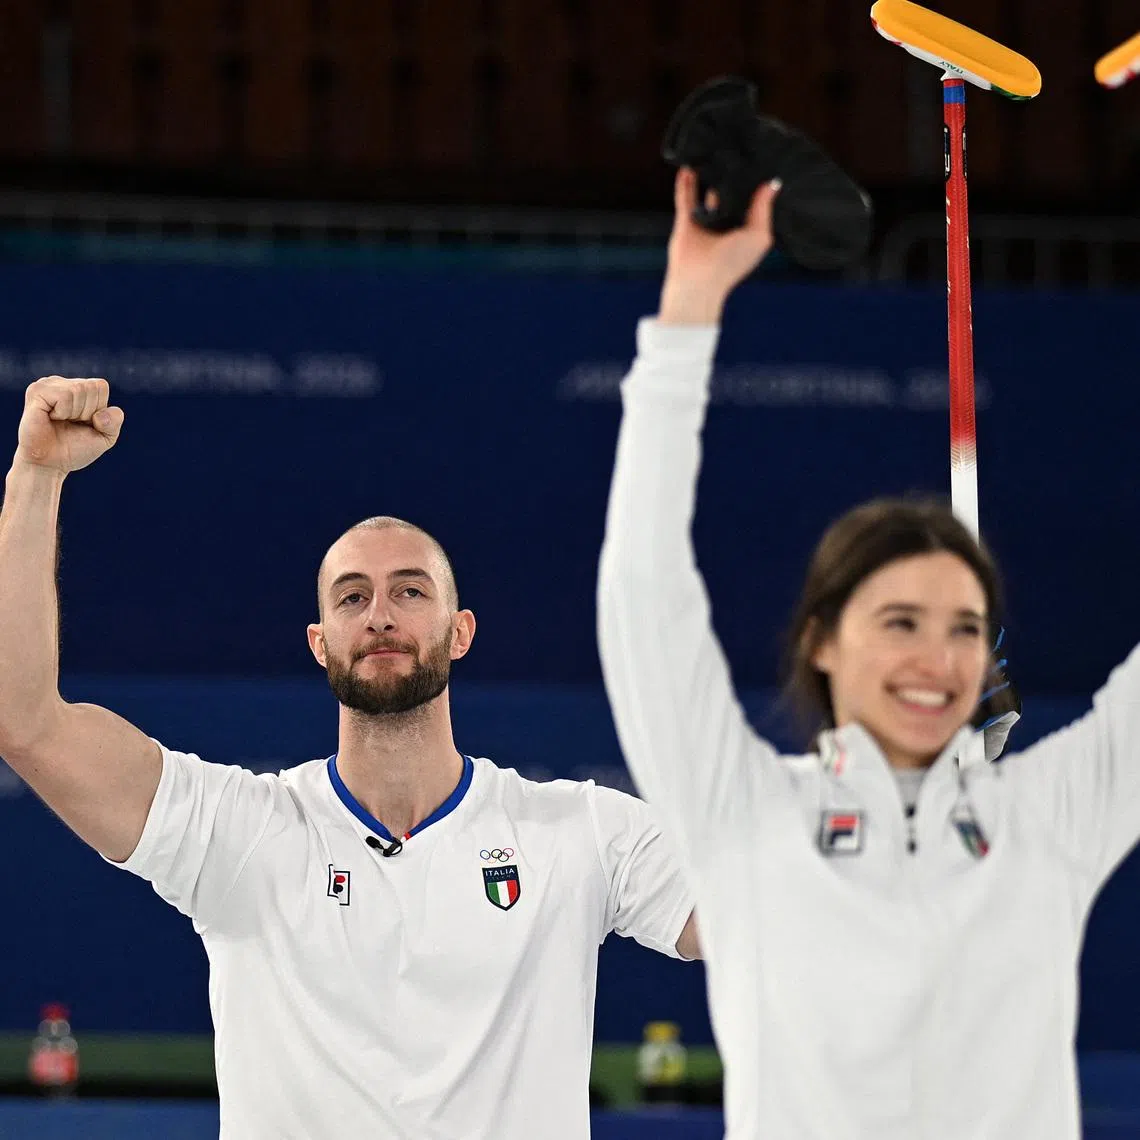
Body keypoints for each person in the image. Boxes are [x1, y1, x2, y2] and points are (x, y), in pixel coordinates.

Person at [0, 376, 699, 1140]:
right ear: (319, 641)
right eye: (352, 597)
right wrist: (36, 478)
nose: (381, 615)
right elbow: (26, 722)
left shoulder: (582, 833)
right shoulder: (238, 834)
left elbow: (757, 922)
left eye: (409, 591)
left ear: (460, 632)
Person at [596, 167, 1140, 1140]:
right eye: (900, 623)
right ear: (822, 643)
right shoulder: (743, 817)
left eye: (965, 628)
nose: (938, 658)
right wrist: (688, 311)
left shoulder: (1052, 818)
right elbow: (643, 592)